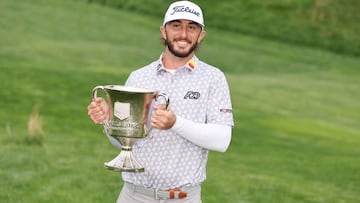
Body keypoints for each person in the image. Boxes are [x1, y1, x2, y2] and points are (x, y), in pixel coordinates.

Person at [87, 1, 234, 202]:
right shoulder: (139, 77)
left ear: (201, 35)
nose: (183, 33)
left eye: (191, 27)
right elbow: (124, 142)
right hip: (134, 195)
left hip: (183, 197)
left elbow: (222, 140)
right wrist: (108, 120)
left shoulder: (213, 78)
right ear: (163, 31)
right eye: (176, 25)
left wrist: (175, 123)